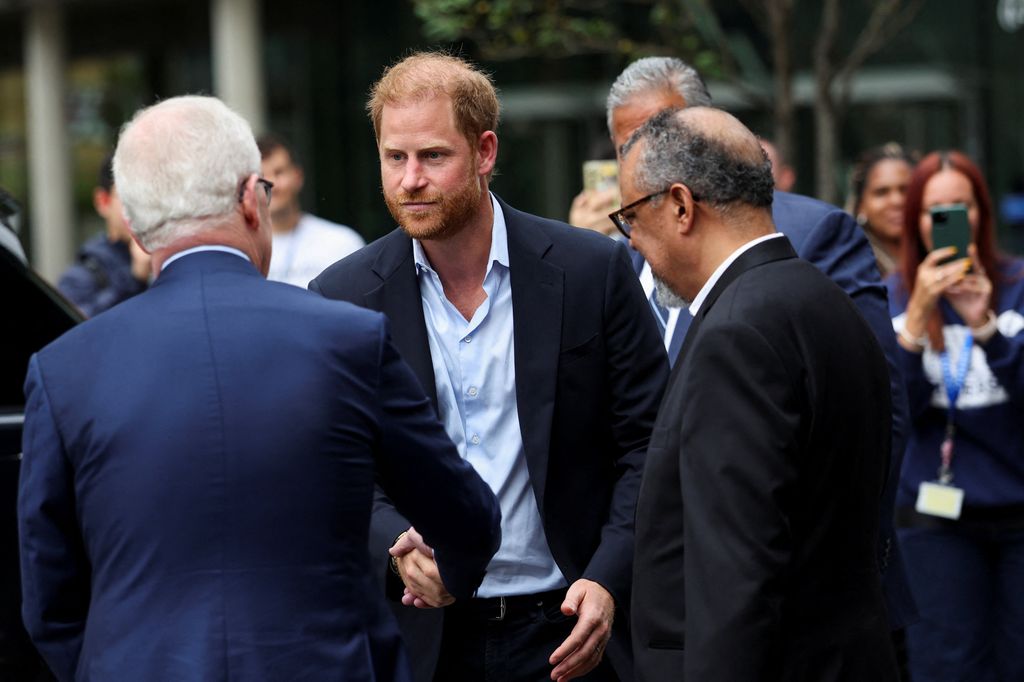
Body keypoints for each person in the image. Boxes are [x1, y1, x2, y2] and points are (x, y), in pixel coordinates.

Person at [17, 95, 501, 682]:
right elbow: (464, 515)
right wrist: (451, 571)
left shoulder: (64, 369)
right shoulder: (346, 339)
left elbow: (48, 598)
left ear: (140, 234)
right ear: (253, 199)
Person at [310, 52, 668, 682]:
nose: (411, 180)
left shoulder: (591, 271)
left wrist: (609, 576)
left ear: (484, 152)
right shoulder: (340, 297)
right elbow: (335, 463)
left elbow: (650, 441)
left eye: (433, 156)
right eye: (395, 158)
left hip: (571, 628)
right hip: (422, 638)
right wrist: (397, 545)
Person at [602, 56, 916, 638]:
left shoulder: (810, 240)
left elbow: (876, 410)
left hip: (791, 609)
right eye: (629, 146)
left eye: (666, 131)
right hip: (655, 604)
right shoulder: (617, 255)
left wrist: (842, 565)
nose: (649, 153)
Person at [888, 150, 1024, 682]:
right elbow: (892, 410)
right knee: (947, 666)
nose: (946, 221)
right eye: (933, 209)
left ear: (981, 214)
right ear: (916, 219)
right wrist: (917, 319)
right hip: (934, 523)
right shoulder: (896, 295)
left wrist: (986, 328)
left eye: (960, 207)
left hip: (1016, 512)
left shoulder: (1014, 285)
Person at [256, 134, 365, 287]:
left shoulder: (342, 243)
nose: (272, 184)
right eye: (261, 177)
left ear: (298, 177)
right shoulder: (241, 249)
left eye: (279, 172)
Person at [57, 154, 150, 316]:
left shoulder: (169, 260)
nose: (142, 210)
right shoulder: (80, 278)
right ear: (103, 201)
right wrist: (135, 279)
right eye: (130, 199)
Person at [848, 143, 916, 277]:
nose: (897, 201)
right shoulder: (850, 262)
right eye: (881, 192)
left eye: (906, 190)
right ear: (861, 205)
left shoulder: (937, 252)